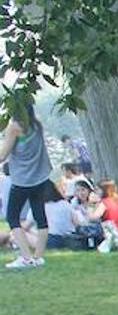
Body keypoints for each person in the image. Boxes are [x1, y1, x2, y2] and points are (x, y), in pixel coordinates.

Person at [0, 102, 56, 269]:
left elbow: (3, 155)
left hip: (22, 180)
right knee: (40, 217)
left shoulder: (14, 127)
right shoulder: (37, 125)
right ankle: (38, 257)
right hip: (39, 178)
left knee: (12, 217)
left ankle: (26, 257)